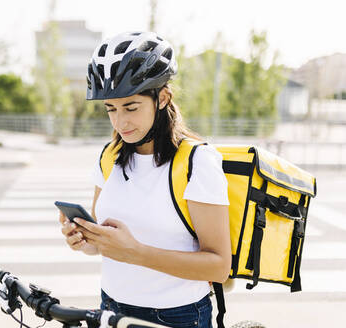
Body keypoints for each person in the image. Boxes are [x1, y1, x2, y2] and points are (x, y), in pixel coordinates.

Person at [59, 31, 231, 328]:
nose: (120, 122)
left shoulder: (197, 162)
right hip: (110, 306)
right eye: (111, 109)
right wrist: (84, 240)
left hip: (176, 316)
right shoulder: (110, 156)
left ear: (162, 98)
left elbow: (218, 267)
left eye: (131, 107)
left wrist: (136, 253)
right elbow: (103, 244)